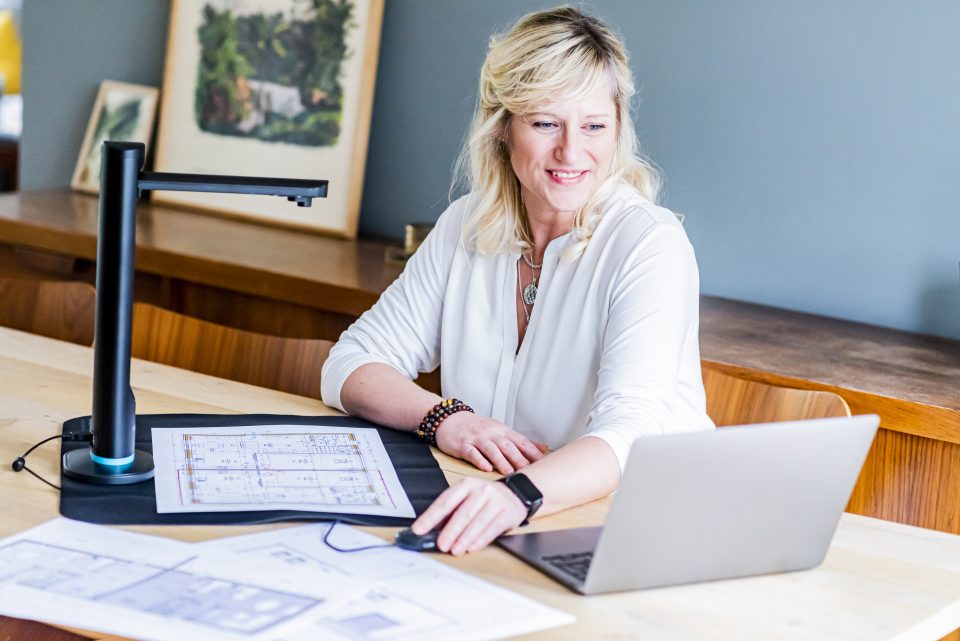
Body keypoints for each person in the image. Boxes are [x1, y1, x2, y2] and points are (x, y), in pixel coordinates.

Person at [321, 6, 714, 555]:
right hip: (507, 520)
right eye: (546, 122)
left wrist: (515, 495)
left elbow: (631, 438)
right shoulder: (466, 223)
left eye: (594, 126)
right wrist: (445, 420)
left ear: (619, 127)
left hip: (640, 530)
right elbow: (350, 364)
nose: (571, 153)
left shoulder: (650, 243)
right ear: (503, 127)